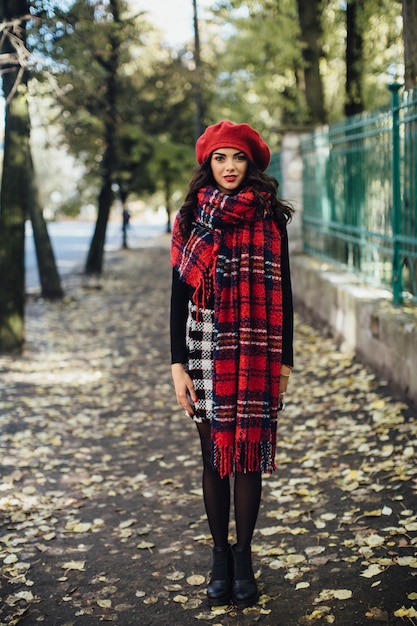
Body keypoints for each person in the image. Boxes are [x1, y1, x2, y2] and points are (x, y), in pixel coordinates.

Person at [170, 120, 294, 609]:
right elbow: (178, 295)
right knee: (212, 456)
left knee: (248, 455)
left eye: (237, 158)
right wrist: (176, 365)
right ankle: (219, 557)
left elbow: (283, 291)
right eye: (220, 158)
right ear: (208, 164)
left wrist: (285, 361)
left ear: (251, 164)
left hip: (257, 348)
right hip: (203, 342)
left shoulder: (270, 217)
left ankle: (244, 557)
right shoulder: (190, 219)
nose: (228, 167)